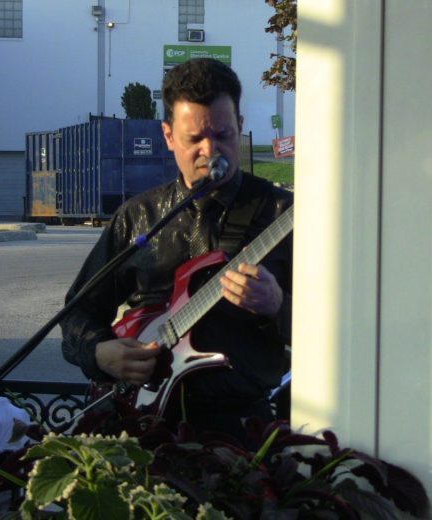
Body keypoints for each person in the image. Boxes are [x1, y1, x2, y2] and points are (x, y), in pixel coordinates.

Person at [60, 58, 293, 443]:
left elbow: (344, 327)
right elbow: (77, 314)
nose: (210, 150)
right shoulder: (137, 218)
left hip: (244, 431)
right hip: (144, 429)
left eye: (223, 134)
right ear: (168, 136)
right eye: (194, 138)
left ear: (240, 126)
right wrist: (100, 354)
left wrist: (278, 304)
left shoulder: (283, 214)